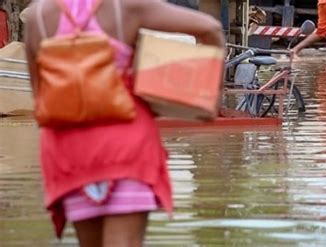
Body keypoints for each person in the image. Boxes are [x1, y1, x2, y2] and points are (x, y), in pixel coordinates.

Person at [24, 0, 224, 246]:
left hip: (69, 153)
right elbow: (210, 28)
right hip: (125, 147)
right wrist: (210, 92)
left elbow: (40, 97)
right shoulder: (126, 5)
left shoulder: (37, 15)